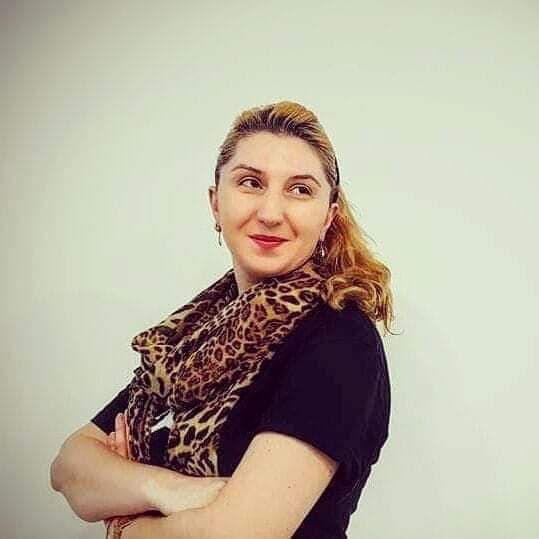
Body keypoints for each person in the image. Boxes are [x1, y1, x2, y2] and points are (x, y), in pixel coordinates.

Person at [50, 100, 395, 538]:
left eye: (299, 190)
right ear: (216, 203)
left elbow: (236, 534)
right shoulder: (194, 338)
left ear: (328, 216)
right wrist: (169, 490)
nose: (271, 212)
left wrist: (125, 523)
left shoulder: (338, 340)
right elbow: (69, 467)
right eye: (251, 183)